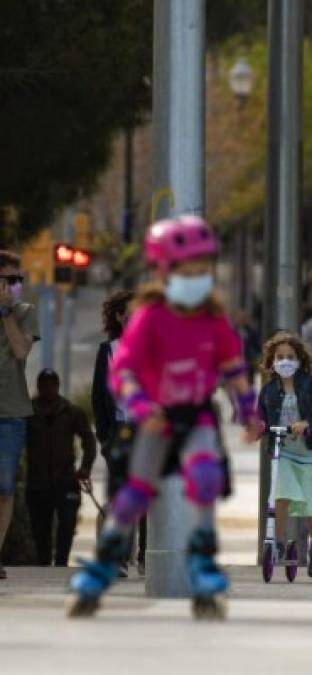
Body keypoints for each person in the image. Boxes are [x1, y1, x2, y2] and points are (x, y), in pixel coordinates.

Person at [68, 216, 259, 618]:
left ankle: (203, 564)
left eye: (202, 268)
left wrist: (248, 411)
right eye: (187, 269)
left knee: (204, 478)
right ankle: (105, 563)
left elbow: (233, 368)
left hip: (197, 415)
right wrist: (138, 406)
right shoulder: (149, 319)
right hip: (154, 416)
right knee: (135, 493)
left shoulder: (214, 318)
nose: (197, 277)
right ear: (163, 271)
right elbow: (125, 373)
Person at [256, 331, 312, 577]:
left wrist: (308, 423)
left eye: (290, 356)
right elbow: (260, 417)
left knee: (311, 502)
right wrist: (258, 427)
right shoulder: (268, 390)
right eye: (279, 357)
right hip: (283, 451)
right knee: (280, 496)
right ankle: (278, 542)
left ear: (299, 359)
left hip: (308, 450)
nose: (285, 361)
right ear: (272, 361)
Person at [91, 290, 144, 577]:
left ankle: (147, 556)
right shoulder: (108, 350)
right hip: (119, 431)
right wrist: (104, 435)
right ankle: (120, 558)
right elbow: (98, 397)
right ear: (120, 318)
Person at [25, 369, 96, 566]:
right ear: (38, 386)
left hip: (66, 480)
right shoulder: (28, 413)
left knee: (67, 524)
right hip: (37, 481)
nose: (47, 389)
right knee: (40, 528)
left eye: (51, 384)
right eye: (44, 384)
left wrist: (85, 468)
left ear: (57, 386)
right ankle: (43, 562)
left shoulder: (71, 412)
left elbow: (89, 440)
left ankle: (61, 562)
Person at [0, 249, 38, 580]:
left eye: (17, 280)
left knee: (5, 488)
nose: (14, 286)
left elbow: (21, 350)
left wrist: (5, 312)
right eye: (7, 280)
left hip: (11, 413)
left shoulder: (25, 312)